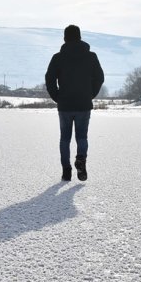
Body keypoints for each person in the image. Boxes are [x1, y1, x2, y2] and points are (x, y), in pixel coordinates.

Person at [45, 24, 104, 181]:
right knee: (82, 137)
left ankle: (66, 170)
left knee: (65, 138)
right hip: (83, 104)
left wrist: (57, 97)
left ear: (65, 38)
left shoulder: (58, 58)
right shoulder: (91, 56)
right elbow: (100, 78)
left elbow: (49, 79)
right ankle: (81, 159)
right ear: (80, 37)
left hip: (65, 105)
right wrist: (90, 94)